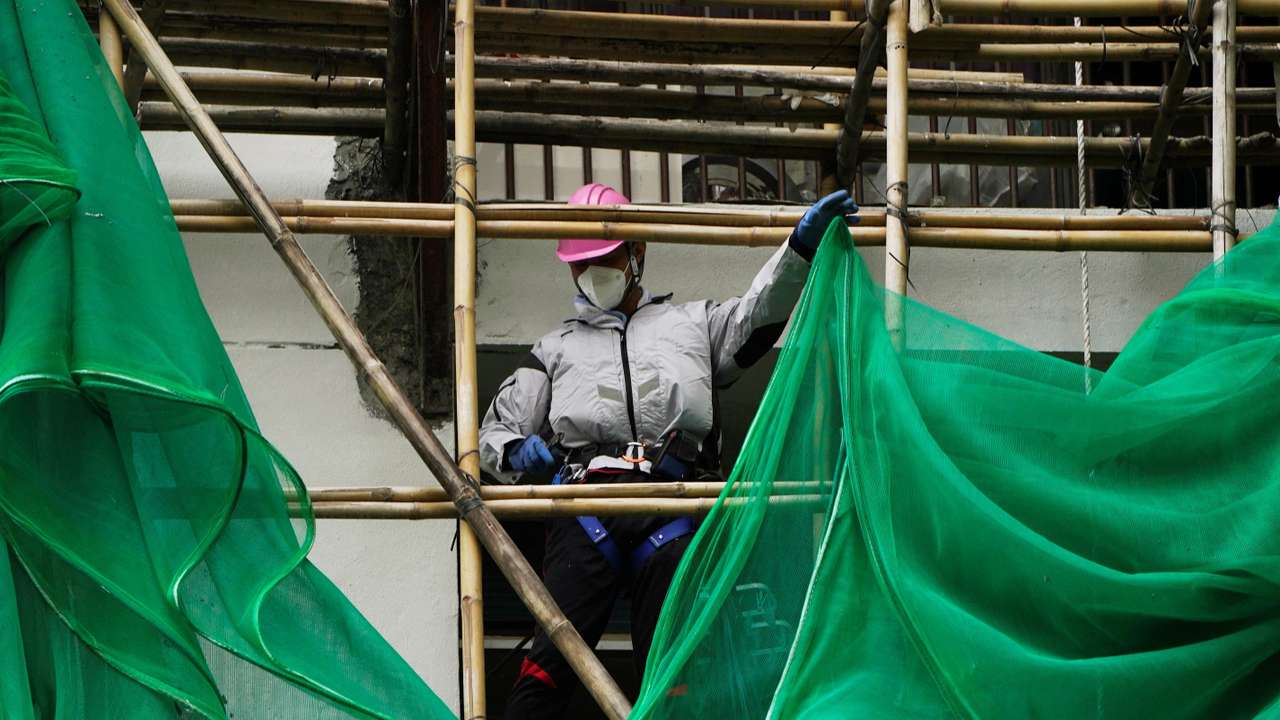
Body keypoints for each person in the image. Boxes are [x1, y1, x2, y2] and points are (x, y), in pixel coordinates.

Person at [480, 182, 859, 719]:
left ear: (637, 255)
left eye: (606, 257)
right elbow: (493, 434)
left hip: (674, 510)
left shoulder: (692, 326)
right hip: (587, 514)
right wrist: (518, 453)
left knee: (679, 677)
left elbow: (759, 314)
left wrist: (797, 250)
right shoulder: (554, 350)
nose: (592, 273)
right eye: (580, 264)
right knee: (548, 669)